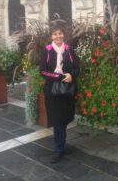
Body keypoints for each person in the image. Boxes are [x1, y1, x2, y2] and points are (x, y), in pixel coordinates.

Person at [40, 25, 79, 163]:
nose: (58, 36)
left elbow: (76, 67)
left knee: (65, 118)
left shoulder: (69, 50)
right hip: (52, 90)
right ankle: (58, 150)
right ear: (52, 36)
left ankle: (61, 146)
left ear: (63, 35)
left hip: (67, 89)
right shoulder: (47, 51)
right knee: (57, 120)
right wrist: (59, 77)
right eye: (55, 34)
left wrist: (71, 75)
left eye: (60, 33)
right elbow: (43, 71)